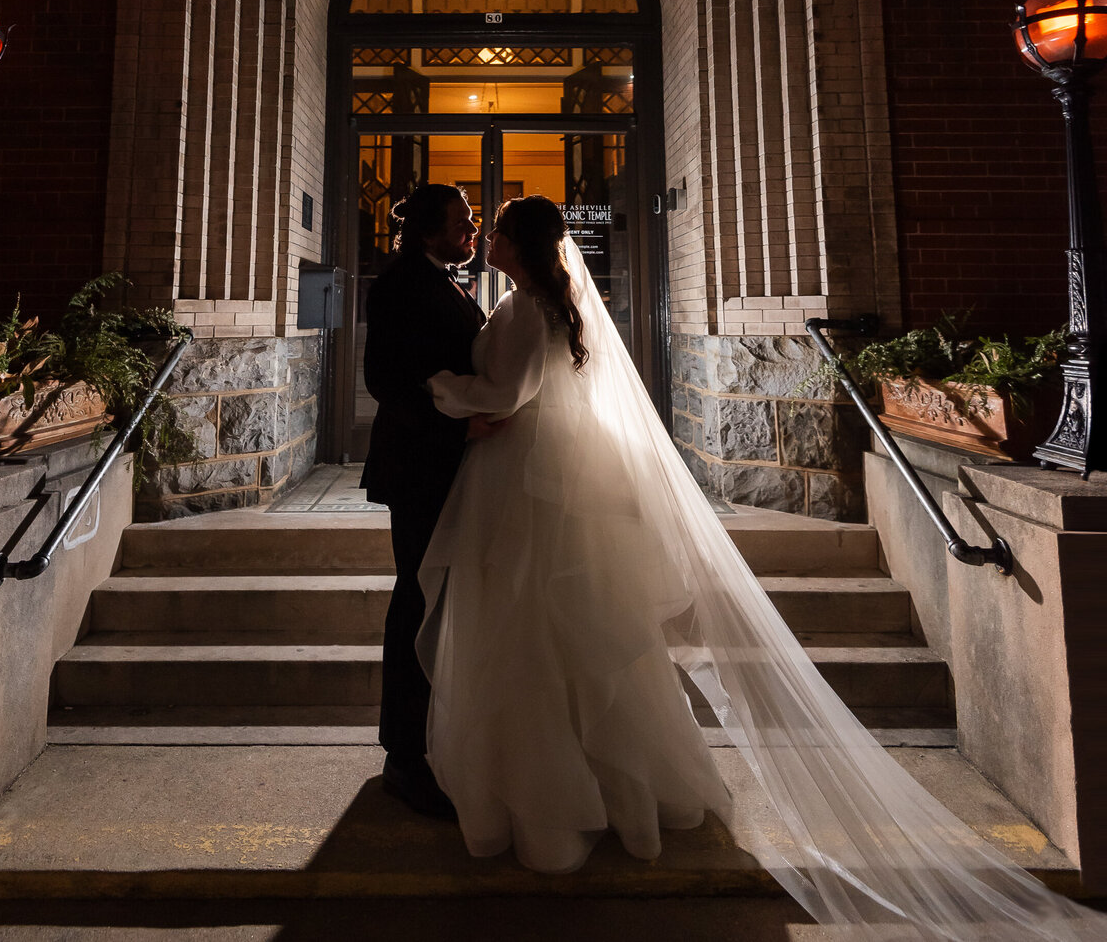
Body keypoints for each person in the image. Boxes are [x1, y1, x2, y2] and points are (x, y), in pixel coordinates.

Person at [417, 195, 1107, 938]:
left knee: (533, 638)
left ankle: (550, 808)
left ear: (519, 243)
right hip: (545, 480)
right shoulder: (546, 306)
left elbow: (512, 392)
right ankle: (622, 793)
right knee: (576, 645)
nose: (484, 237)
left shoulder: (526, 310)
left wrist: (441, 393)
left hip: (527, 487)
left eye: (496, 230)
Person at [359, 182, 483, 819]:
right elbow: (385, 380)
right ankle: (403, 757)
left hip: (448, 466)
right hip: (418, 467)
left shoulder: (444, 278)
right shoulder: (402, 282)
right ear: (431, 230)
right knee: (417, 597)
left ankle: (432, 738)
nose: (472, 228)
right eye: (463, 219)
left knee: (435, 597)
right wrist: (460, 422)